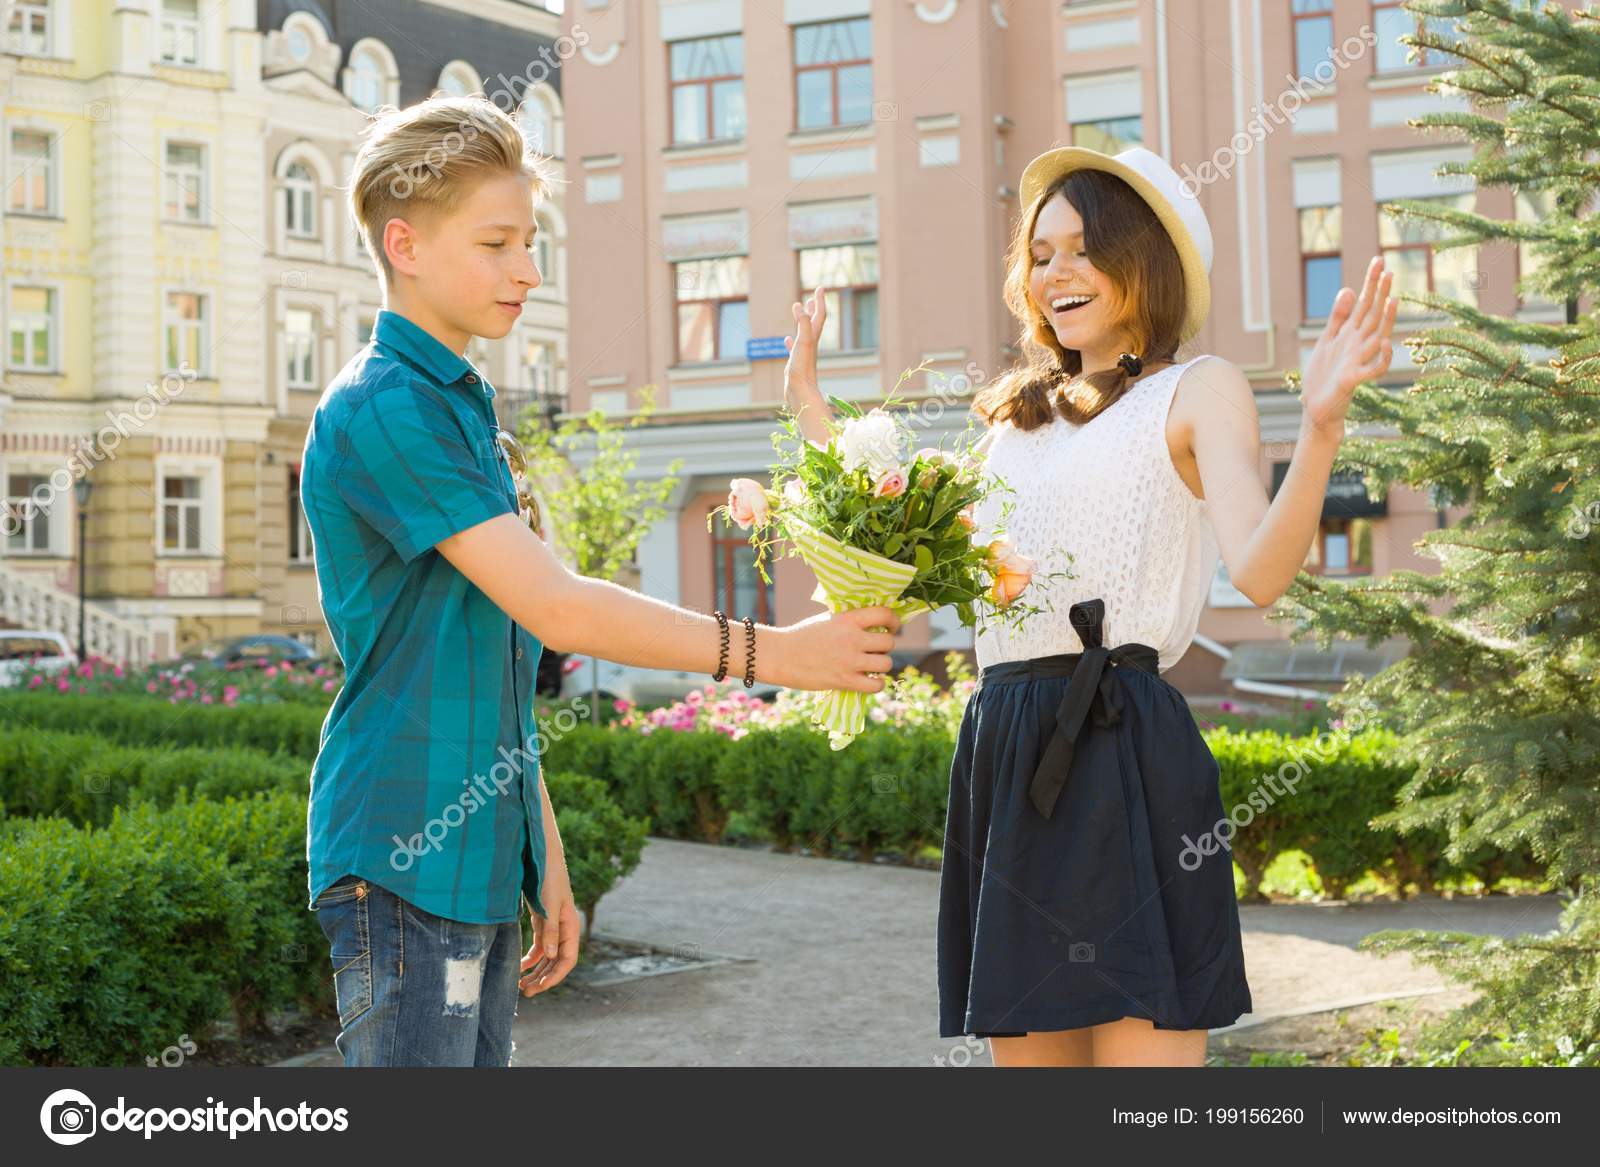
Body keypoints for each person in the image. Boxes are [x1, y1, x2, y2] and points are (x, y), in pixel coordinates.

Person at [300, 95, 902, 1067]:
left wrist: (550, 865)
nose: (529, 271)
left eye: (529, 242)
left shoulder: (457, 408)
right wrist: (778, 655)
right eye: (497, 243)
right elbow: (558, 603)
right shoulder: (384, 406)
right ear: (404, 245)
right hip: (403, 858)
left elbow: (501, 666)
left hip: (473, 866)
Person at [784, 144, 1397, 1067]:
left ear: (1141, 258)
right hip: (1006, 745)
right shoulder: (1010, 424)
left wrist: (1319, 428)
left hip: (1123, 747)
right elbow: (897, 564)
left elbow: (1264, 572)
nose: (1055, 272)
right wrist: (813, 418)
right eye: (1040, 254)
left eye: (1081, 247)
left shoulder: (1197, 389)